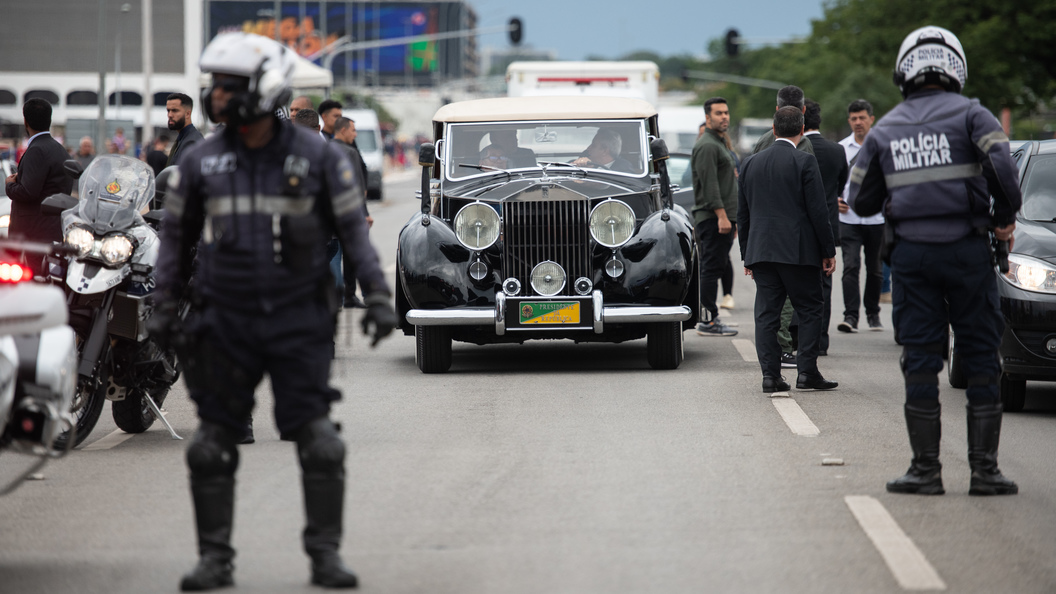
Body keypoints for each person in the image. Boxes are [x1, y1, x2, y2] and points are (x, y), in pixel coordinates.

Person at [148, 32, 396, 590]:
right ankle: (215, 560)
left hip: (298, 319)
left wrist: (378, 296)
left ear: (260, 89)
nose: (216, 97)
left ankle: (324, 556)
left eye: (227, 87)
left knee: (319, 440)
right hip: (224, 320)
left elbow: (353, 233)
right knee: (212, 445)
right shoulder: (202, 162)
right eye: (213, 86)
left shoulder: (321, 158)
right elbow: (173, 242)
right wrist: (164, 308)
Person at [848, 26, 1021, 497]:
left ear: (903, 71)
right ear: (957, 68)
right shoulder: (974, 115)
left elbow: (858, 199)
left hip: (912, 259)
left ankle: (926, 472)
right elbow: (1004, 170)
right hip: (969, 252)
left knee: (921, 360)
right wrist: (1003, 221)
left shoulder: (885, 127)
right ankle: (985, 472)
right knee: (983, 358)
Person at [737, 106, 837, 393]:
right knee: (809, 309)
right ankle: (807, 373)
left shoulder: (750, 163)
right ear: (802, 128)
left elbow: (743, 214)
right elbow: (819, 211)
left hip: (761, 252)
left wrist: (747, 254)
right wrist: (828, 250)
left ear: (773, 127)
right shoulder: (805, 162)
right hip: (797, 252)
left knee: (766, 315)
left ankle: (771, 377)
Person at [751, 85, 815, 365]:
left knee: (767, 305)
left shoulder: (762, 142)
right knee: (790, 300)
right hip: (791, 237)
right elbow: (811, 198)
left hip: (762, 236)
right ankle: (785, 349)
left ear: (776, 113)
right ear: (803, 113)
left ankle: (771, 363)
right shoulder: (804, 145)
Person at [802, 99, 848, 357]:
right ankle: (820, 340)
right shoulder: (837, 151)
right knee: (824, 286)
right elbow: (841, 186)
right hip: (829, 223)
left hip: (800, 227)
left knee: (798, 284)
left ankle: (800, 338)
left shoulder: (797, 148)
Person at [4, 98, 74, 264]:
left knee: (32, 282)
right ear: (49, 120)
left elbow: (28, 192)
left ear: (25, 121)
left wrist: (10, 184)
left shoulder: (36, 150)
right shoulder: (60, 150)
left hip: (33, 233)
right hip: (51, 229)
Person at [691, 97, 738, 337]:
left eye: (726, 112)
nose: (725, 117)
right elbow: (709, 186)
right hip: (712, 218)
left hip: (723, 217)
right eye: (719, 113)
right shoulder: (707, 145)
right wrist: (722, 216)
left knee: (716, 266)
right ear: (708, 118)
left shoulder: (718, 142)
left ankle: (710, 318)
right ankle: (708, 320)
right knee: (711, 268)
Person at [837, 98, 884, 333]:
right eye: (854, 118)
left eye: (862, 118)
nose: (858, 122)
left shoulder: (884, 145)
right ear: (849, 121)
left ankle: (873, 314)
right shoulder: (842, 148)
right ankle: (851, 316)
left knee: (875, 268)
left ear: (871, 119)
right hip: (849, 220)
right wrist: (835, 199)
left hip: (877, 219)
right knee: (850, 267)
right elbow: (833, 182)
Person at [332, 116, 373, 308]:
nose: (355, 134)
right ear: (343, 130)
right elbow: (358, 188)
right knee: (352, 255)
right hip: (348, 212)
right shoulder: (350, 152)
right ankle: (350, 295)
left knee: (332, 254)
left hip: (328, 213)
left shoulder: (325, 148)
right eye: (353, 130)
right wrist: (364, 214)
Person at [165, 92, 204, 167]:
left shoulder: (192, 142)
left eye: (174, 110)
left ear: (187, 114)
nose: (169, 115)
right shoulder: (184, 138)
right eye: (168, 110)